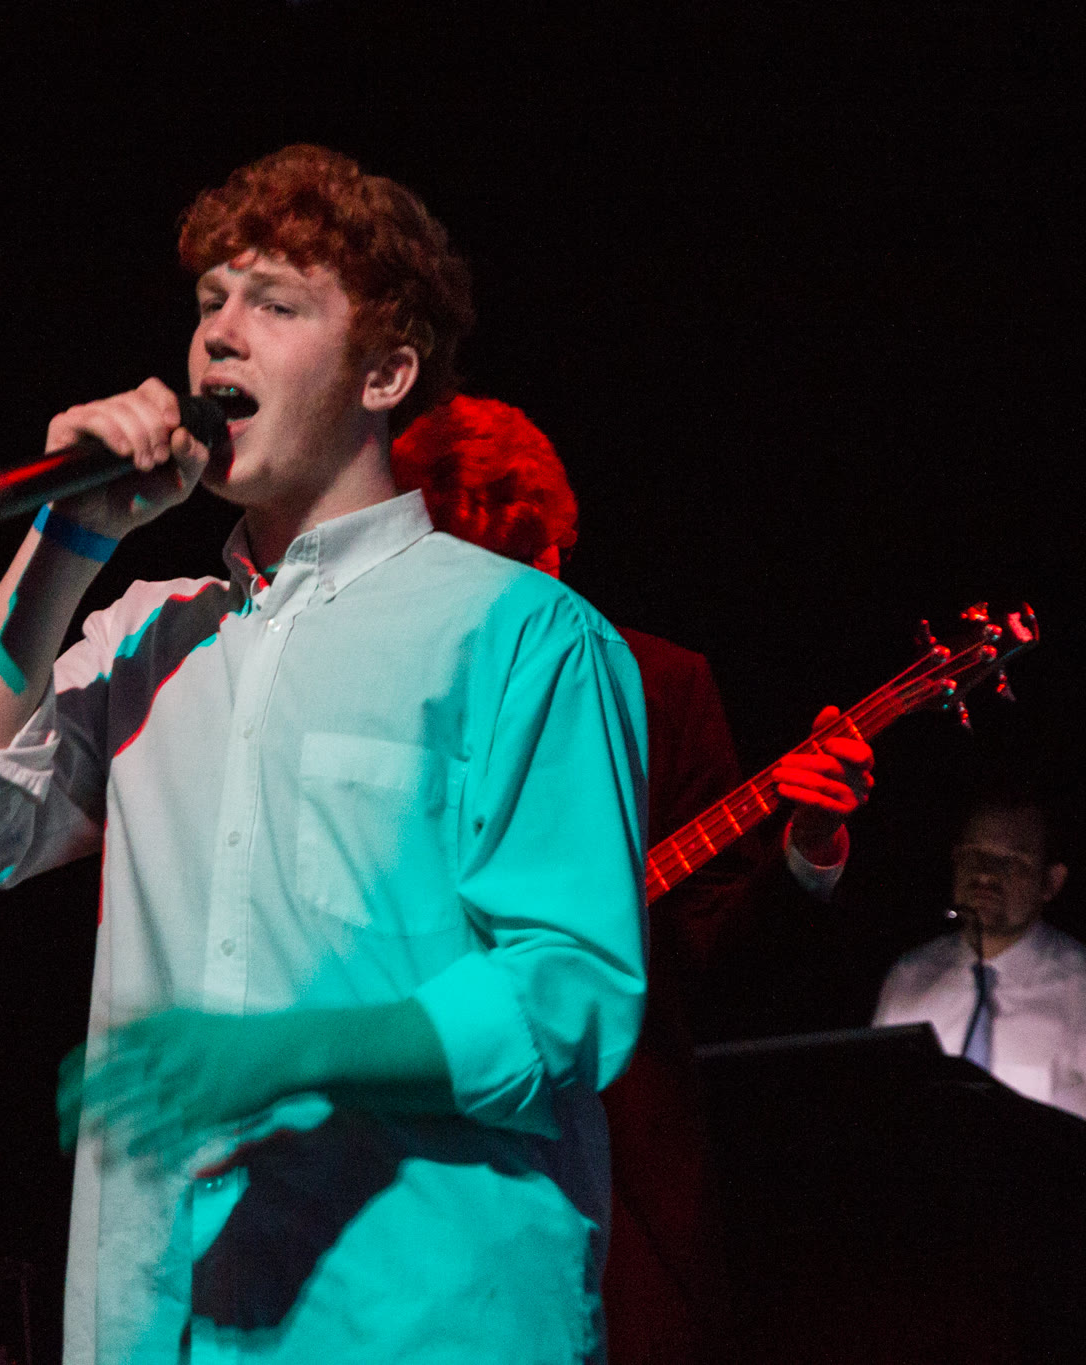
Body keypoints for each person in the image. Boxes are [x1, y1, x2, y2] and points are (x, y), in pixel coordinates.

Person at [0, 145, 648, 1363]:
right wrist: (71, 535)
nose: (216, 338)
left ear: (385, 372)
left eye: (274, 305)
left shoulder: (517, 630)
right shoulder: (149, 629)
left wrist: (291, 1050)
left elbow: (569, 993)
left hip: (421, 1320)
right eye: (208, 303)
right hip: (163, 1315)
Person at [390, 394, 876, 1364]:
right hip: (408, 1173)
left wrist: (808, 844)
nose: (540, 589)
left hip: (618, 1183)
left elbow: (719, 949)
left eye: (546, 557)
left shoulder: (660, 686)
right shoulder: (376, 698)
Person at [874, 786, 1085, 1117]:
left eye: (1011, 862)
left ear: (1051, 882)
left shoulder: (1080, 989)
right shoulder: (911, 975)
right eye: (974, 856)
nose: (985, 874)